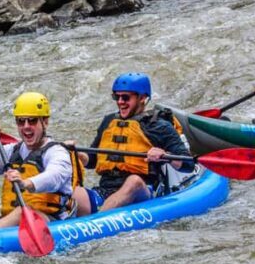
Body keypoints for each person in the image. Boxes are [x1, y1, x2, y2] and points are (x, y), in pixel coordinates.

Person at [0, 92, 82, 230]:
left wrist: (26, 183)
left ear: (45, 122)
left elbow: (54, 177)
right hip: (10, 222)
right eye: (21, 121)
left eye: (32, 120)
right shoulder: (10, 151)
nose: (26, 126)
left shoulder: (57, 152)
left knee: (23, 212)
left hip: (51, 221)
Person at [71, 73, 194, 216]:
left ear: (142, 98)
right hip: (106, 191)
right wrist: (75, 154)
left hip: (144, 192)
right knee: (72, 192)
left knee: (133, 181)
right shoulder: (109, 121)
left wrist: (165, 156)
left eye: (126, 97)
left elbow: (188, 164)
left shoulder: (160, 126)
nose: (120, 102)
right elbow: (92, 160)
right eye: (117, 97)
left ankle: (96, 222)